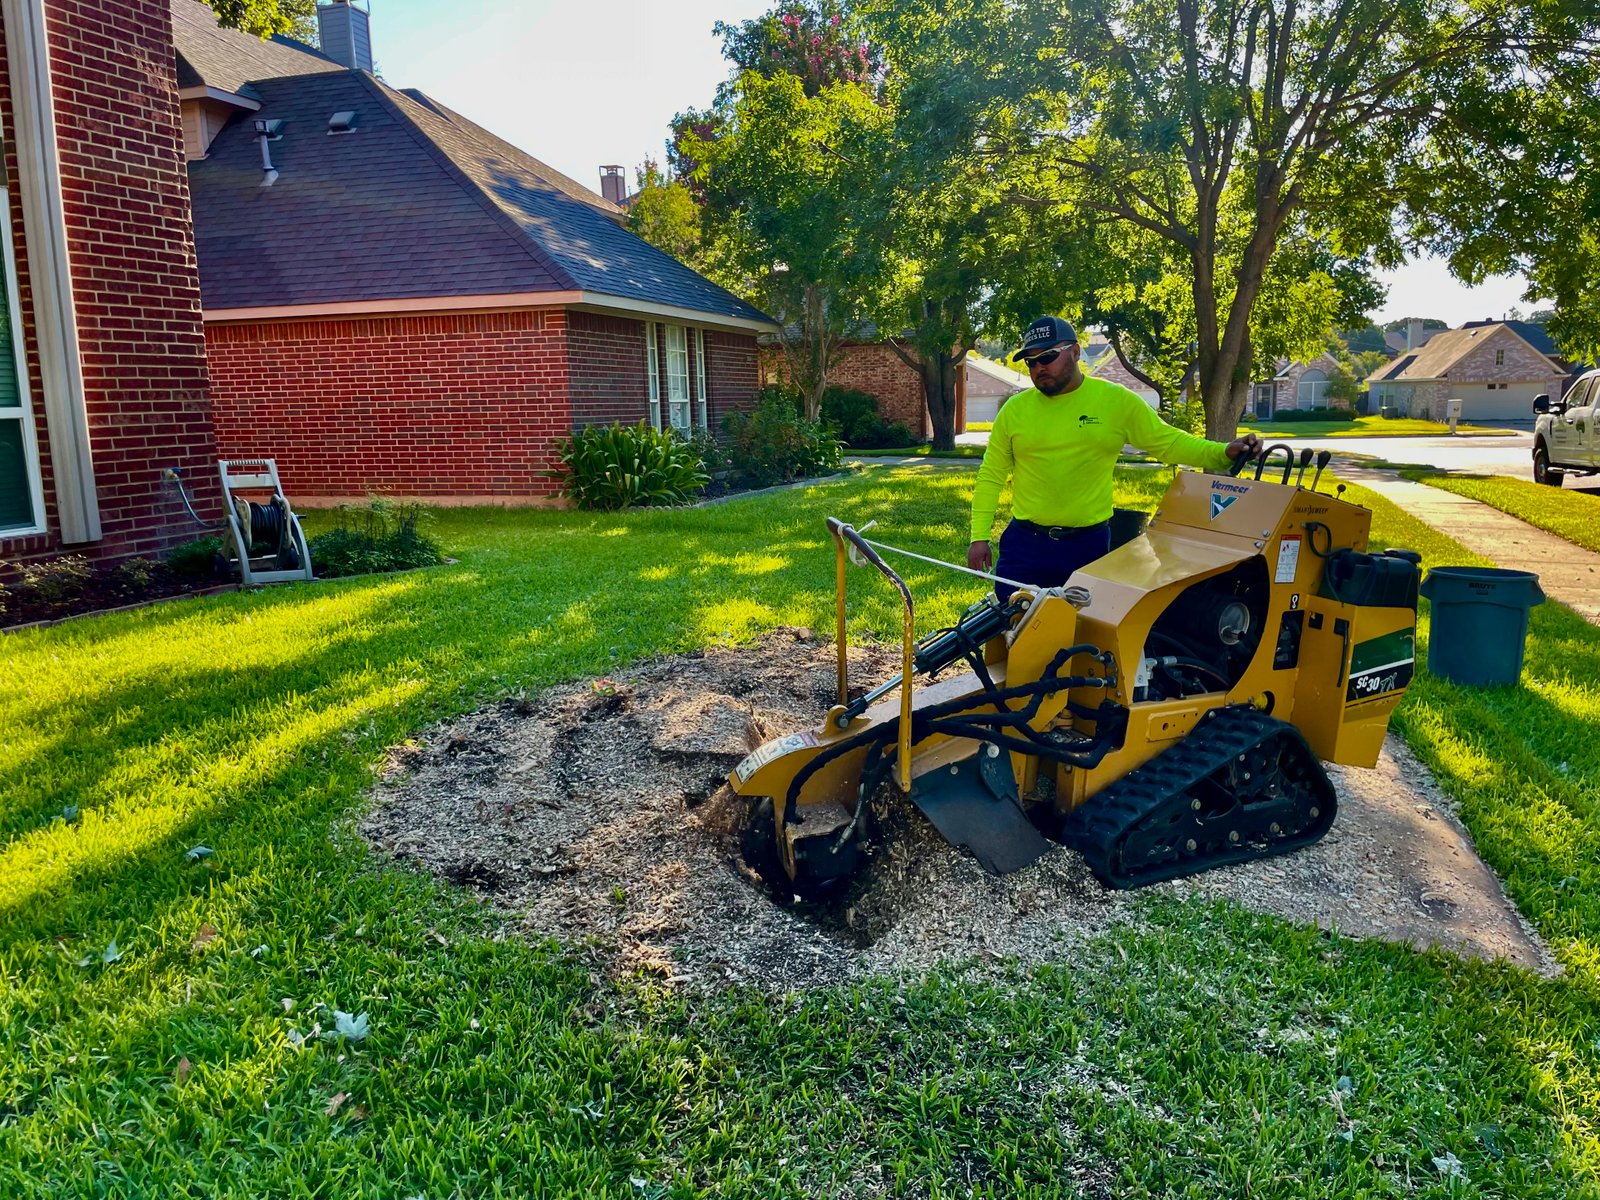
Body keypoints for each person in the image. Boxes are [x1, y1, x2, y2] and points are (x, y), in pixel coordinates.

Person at [969, 316, 1261, 601]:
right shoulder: (1014, 410)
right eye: (1031, 362)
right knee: (1014, 625)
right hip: (1025, 545)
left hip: (1087, 546)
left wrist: (1222, 452)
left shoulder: (1115, 401)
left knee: (1083, 628)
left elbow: (1168, 443)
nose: (1039, 368)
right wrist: (978, 537)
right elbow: (991, 474)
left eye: (1047, 357)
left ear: (1075, 352)